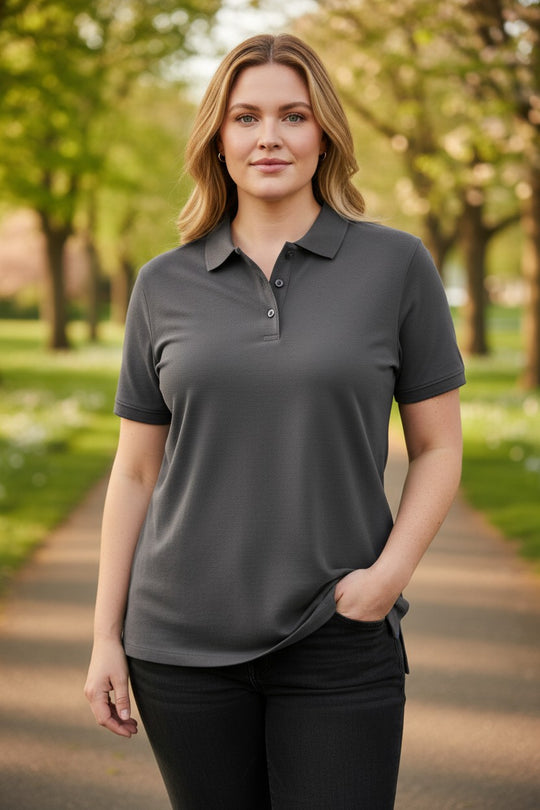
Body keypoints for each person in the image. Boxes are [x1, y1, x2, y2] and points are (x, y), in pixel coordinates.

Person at [85, 33, 465, 810]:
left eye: (293, 116)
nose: (269, 137)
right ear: (217, 139)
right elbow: (136, 471)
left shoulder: (396, 266)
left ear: (324, 134)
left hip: (339, 633)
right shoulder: (162, 284)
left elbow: (438, 447)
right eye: (246, 117)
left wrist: (386, 580)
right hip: (179, 645)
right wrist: (103, 637)